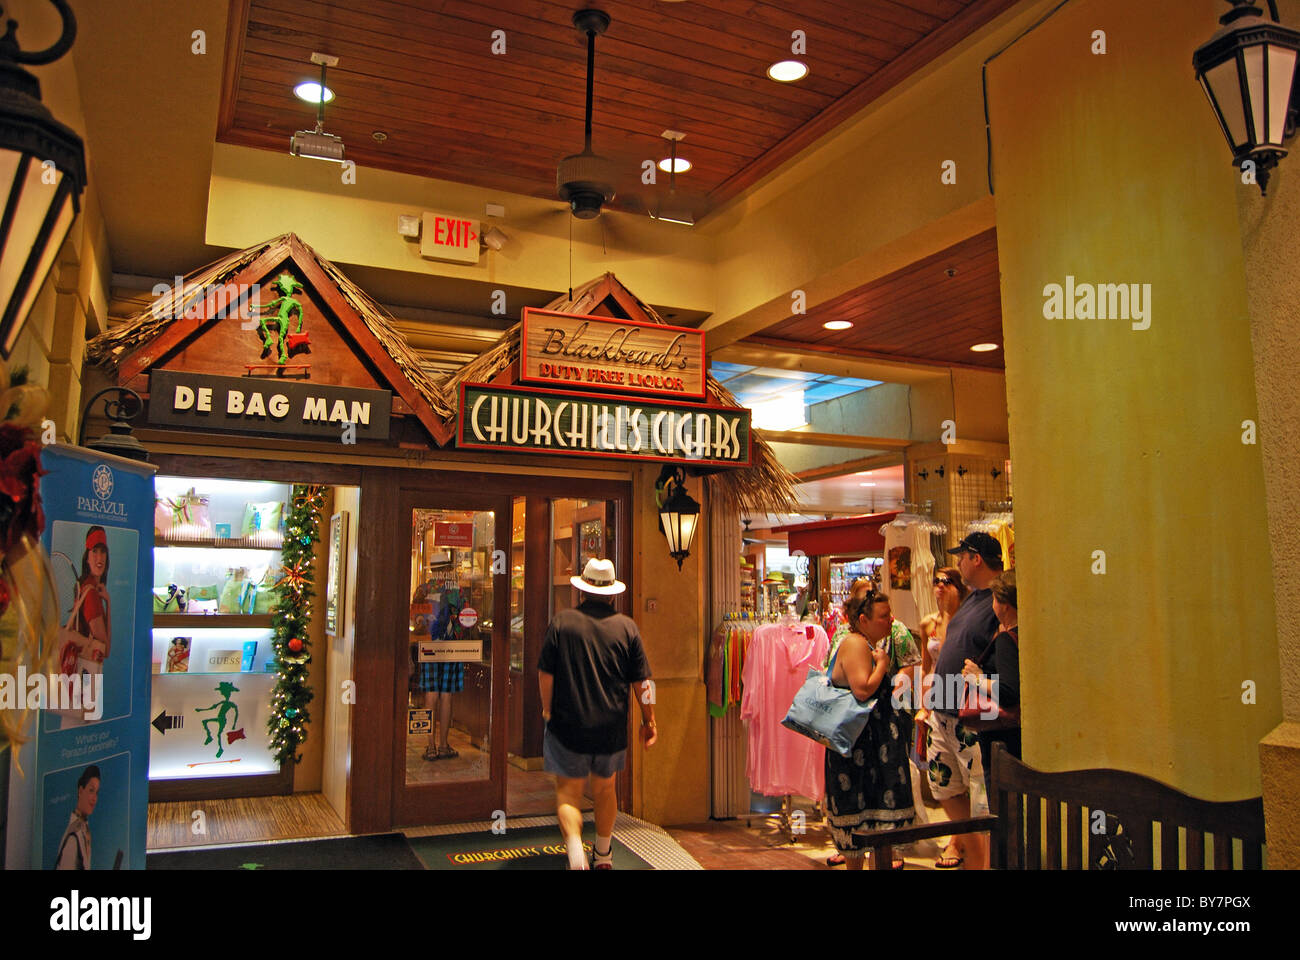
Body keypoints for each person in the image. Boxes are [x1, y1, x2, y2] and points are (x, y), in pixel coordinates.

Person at [539, 558, 655, 870]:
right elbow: (643, 682)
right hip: (611, 728)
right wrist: (650, 719)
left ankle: (576, 852)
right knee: (605, 789)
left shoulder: (562, 623)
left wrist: (547, 708)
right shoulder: (627, 627)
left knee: (568, 793)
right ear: (612, 594)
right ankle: (603, 854)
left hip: (567, 725)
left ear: (582, 591)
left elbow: (545, 673)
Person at [924, 532, 1003, 870]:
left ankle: (982, 862)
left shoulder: (999, 599)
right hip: (942, 710)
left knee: (979, 794)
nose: (957, 563)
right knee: (943, 786)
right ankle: (973, 852)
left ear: (976, 559)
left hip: (970, 715)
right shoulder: (973, 598)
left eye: (961, 557)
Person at [825, 589, 916, 870]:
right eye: (884, 616)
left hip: (875, 747)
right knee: (860, 832)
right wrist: (883, 665)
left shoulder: (865, 643)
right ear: (863, 619)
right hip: (861, 750)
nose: (891, 620)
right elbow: (862, 689)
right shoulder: (854, 644)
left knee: (878, 831)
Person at [917, 565, 966, 865]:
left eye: (947, 582)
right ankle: (960, 836)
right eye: (936, 581)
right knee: (942, 778)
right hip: (938, 702)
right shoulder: (928, 624)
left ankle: (958, 841)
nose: (939, 587)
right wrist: (923, 704)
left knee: (968, 775)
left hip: (964, 702)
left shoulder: (966, 622)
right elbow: (925, 666)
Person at [962, 569, 1020, 799]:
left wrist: (977, 677)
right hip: (1016, 738)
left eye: (995, 599)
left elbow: (1008, 692)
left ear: (1004, 605)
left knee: (1004, 809)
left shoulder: (1007, 639)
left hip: (1002, 739)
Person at [66, 527, 112, 666]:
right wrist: (108, 604)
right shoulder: (91, 593)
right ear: (87, 557)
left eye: (103, 551)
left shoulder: (84, 586)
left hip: (75, 671)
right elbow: (105, 650)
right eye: (94, 551)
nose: (99, 558)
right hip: (85, 675)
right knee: (88, 688)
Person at [55, 765, 100, 869]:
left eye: (97, 792)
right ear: (80, 791)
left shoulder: (84, 829)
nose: (94, 799)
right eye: (91, 790)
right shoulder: (73, 837)